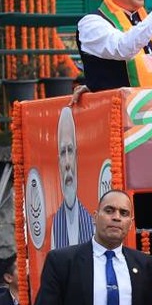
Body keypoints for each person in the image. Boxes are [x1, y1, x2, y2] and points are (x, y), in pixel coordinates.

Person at [48, 107, 95, 250]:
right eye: (63, 153)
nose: (67, 163)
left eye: (71, 151)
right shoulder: (56, 223)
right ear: (58, 161)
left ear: (77, 157)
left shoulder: (93, 221)